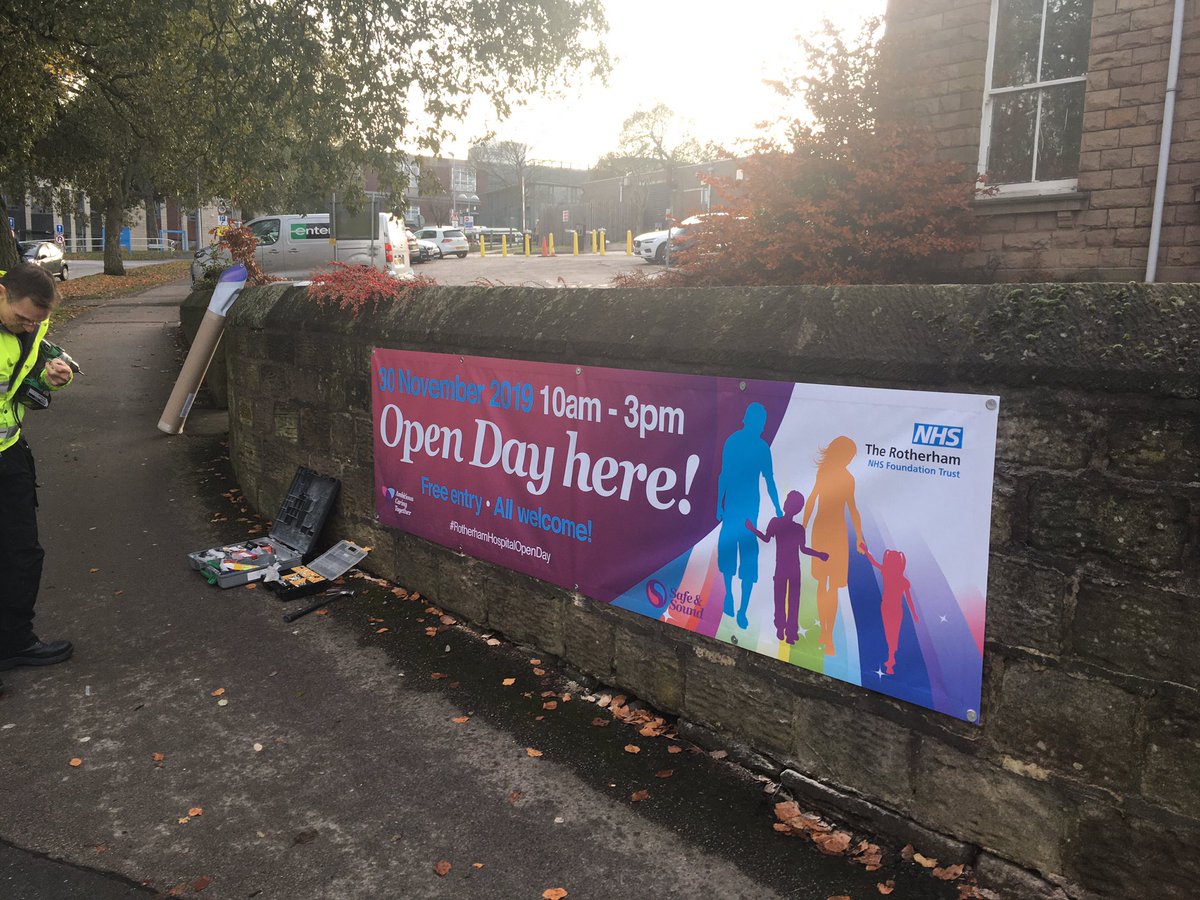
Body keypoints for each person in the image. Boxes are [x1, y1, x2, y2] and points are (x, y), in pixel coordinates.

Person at [0, 263, 75, 692]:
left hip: (9, 456)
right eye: (23, 317)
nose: (29, 326)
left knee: (22, 553)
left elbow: (22, 384)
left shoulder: (30, 329)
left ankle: (14, 642)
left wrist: (51, 378)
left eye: (37, 321)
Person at [716, 402, 782, 629]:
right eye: (759, 422)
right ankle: (728, 597)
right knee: (727, 556)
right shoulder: (733, 442)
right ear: (750, 421)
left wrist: (778, 508)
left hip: (749, 515)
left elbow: (769, 480)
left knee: (748, 561)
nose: (761, 427)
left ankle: (743, 610)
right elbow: (723, 474)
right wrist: (718, 504)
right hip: (733, 509)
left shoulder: (762, 448)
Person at [801, 436, 865, 657]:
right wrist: (803, 525)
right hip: (822, 532)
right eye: (847, 456)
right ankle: (824, 632)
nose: (848, 460)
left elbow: (853, 509)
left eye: (850, 458)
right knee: (822, 582)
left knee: (834, 586)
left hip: (838, 534)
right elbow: (811, 499)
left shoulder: (848, 479)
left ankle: (828, 635)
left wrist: (859, 537)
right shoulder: (824, 473)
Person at [746, 490, 829, 644]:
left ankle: (788, 630)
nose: (785, 503)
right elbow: (768, 539)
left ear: (789, 505)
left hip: (788, 568)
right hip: (787, 568)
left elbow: (768, 539)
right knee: (789, 600)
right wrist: (819, 555)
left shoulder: (785, 525)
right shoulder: (785, 525)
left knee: (787, 599)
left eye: (788, 500)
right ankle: (784, 629)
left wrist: (819, 555)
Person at [863, 545, 919, 675]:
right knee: (892, 634)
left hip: (888, 608)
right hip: (893, 609)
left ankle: (891, 658)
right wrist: (914, 613)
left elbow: (873, 561)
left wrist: (866, 551)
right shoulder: (900, 579)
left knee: (890, 633)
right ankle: (891, 657)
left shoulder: (886, 573)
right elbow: (909, 600)